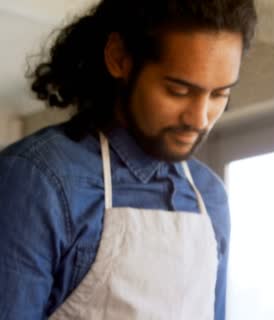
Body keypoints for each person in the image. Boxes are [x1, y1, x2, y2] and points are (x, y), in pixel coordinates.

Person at [0, 0, 257, 319]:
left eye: (219, 94)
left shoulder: (210, 196)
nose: (200, 118)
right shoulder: (37, 180)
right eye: (178, 90)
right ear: (119, 58)